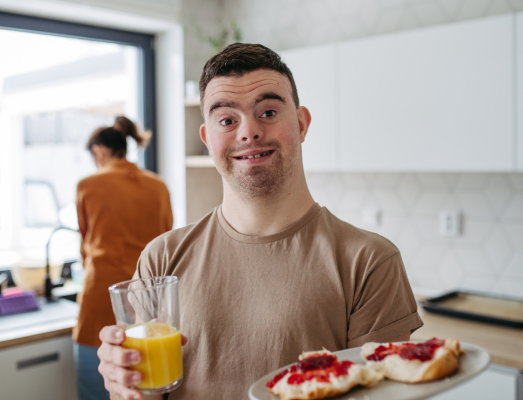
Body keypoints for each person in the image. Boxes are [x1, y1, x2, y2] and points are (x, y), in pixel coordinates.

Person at [97, 44, 423, 400]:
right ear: (208, 139)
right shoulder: (162, 258)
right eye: (227, 120)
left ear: (301, 124)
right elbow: (144, 392)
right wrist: (125, 386)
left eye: (268, 112)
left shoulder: (369, 262)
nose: (248, 132)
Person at [74, 116, 173, 400]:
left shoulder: (87, 186)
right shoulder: (158, 186)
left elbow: (85, 247)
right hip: (150, 306)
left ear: (99, 151)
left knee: (99, 391)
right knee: (144, 391)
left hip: (101, 304)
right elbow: (167, 243)